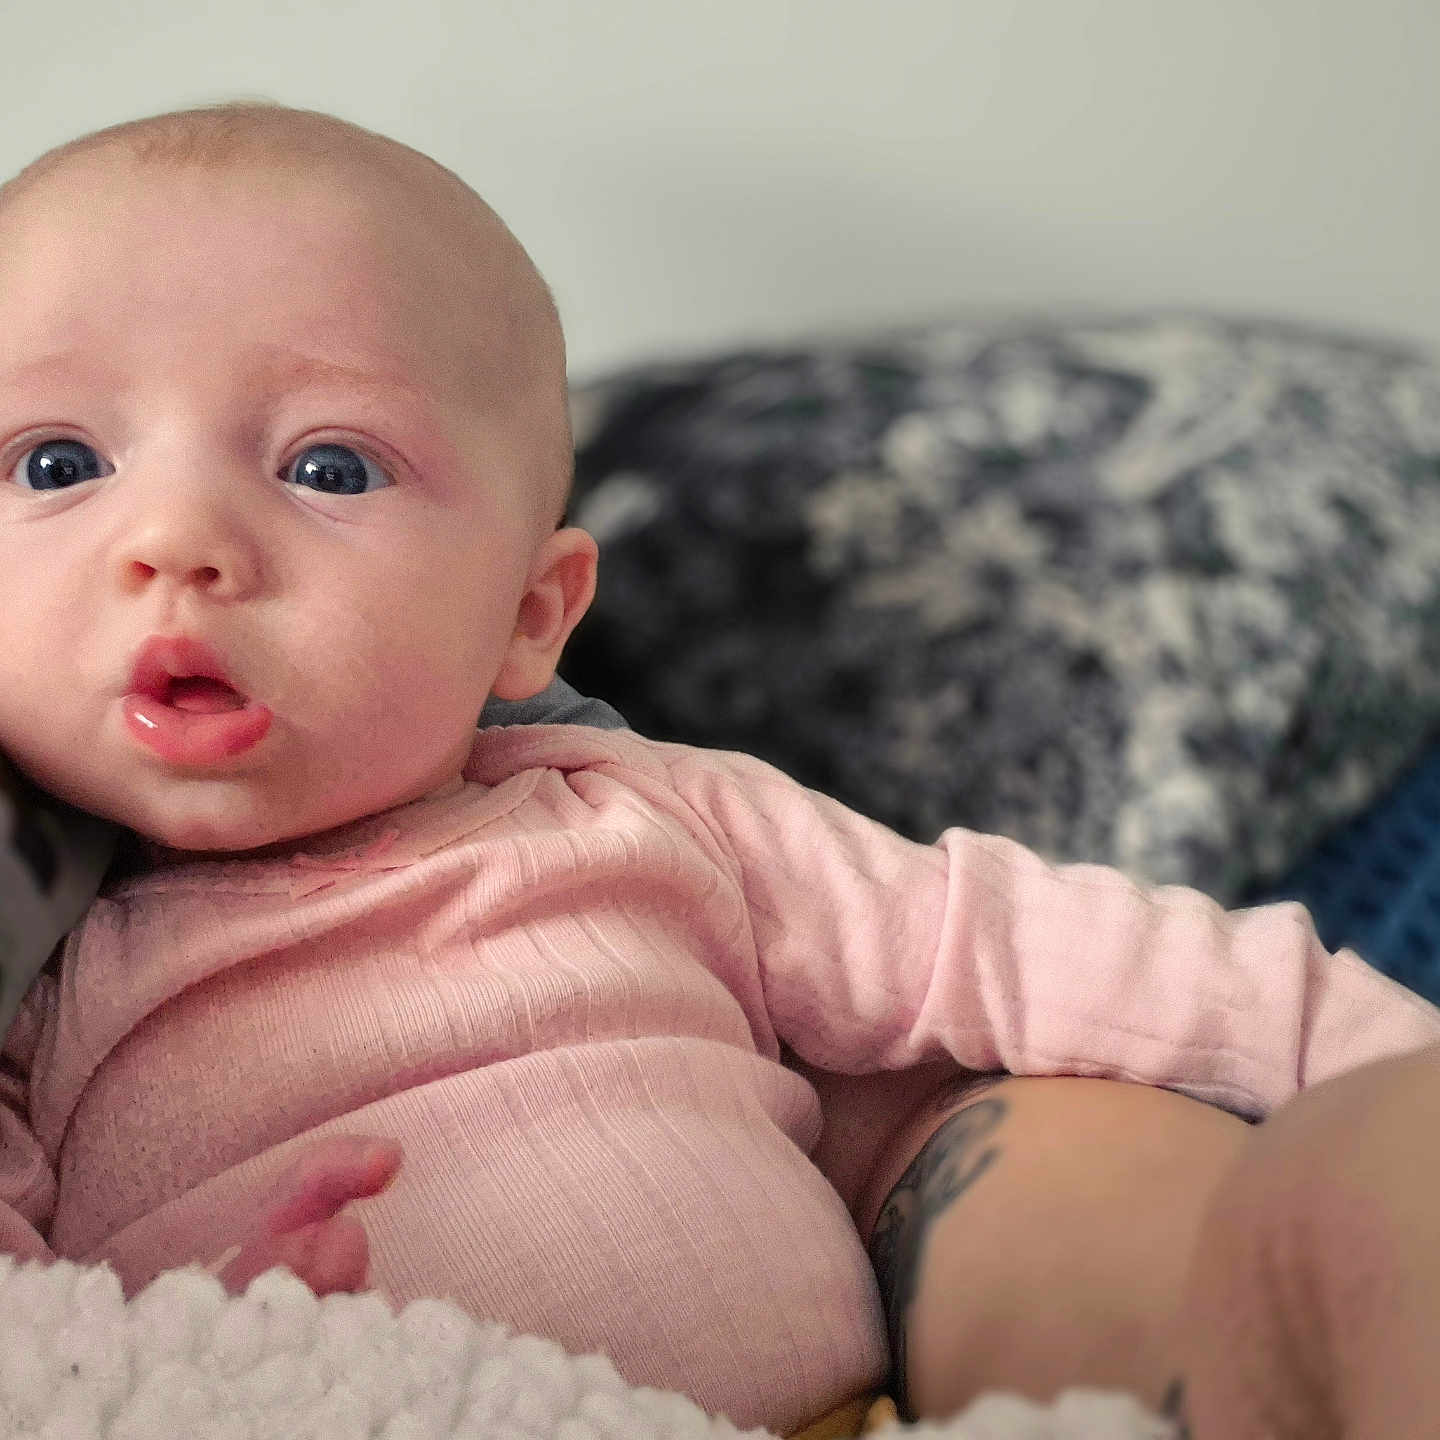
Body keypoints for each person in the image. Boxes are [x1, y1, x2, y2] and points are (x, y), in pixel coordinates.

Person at [0, 102, 1437, 1438]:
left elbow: (1023, 943)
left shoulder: (645, 813)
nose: (177, 539)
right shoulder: (42, 989)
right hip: (310, 1404)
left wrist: (1375, 1052)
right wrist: (210, 1337)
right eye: (57, 465)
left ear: (527, 615)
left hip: (845, 1404)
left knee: (1336, 1187)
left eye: (328, 468)